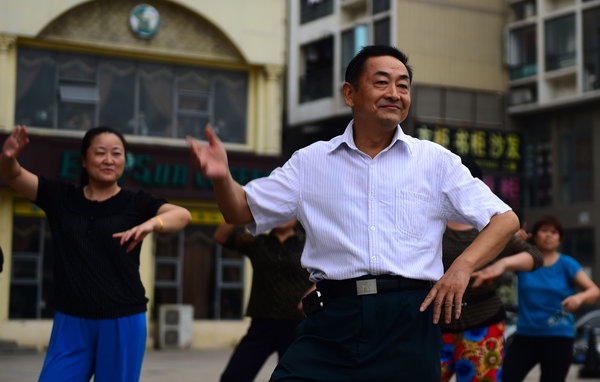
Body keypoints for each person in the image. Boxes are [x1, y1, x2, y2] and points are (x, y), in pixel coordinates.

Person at [188, 45, 520, 381]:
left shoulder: (435, 161)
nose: (395, 94)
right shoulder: (311, 161)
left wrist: (461, 268)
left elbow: (505, 219)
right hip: (333, 317)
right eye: (382, 83)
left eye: (403, 86)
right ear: (350, 93)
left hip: (408, 319)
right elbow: (240, 210)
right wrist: (222, 178)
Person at [0, 125, 192, 382]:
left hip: (122, 319)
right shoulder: (60, 197)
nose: (109, 160)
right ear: (84, 159)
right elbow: (13, 176)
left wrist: (151, 224)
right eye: (101, 152)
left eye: (117, 153)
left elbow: (182, 215)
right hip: (71, 320)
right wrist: (9, 157)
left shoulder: (136, 203)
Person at [439, 158, 544, 382]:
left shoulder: (492, 225)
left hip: (483, 320)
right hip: (434, 323)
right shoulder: (431, 223)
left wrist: (501, 265)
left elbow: (534, 257)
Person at [502, 215, 600, 382]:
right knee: (506, 377)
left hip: (558, 337)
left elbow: (594, 290)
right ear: (534, 235)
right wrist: (512, 243)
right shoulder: (525, 262)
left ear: (559, 239)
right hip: (526, 335)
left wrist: (579, 298)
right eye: (544, 230)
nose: (549, 235)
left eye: (554, 232)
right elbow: (498, 263)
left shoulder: (567, 264)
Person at [214, 219, 313, 382]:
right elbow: (220, 237)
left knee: (293, 378)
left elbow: (332, 267)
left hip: (296, 323)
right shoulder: (258, 242)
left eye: (287, 213)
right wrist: (242, 214)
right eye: (277, 212)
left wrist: (316, 286)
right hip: (262, 323)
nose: (282, 217)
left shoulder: (308, 245)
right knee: (233, 377)